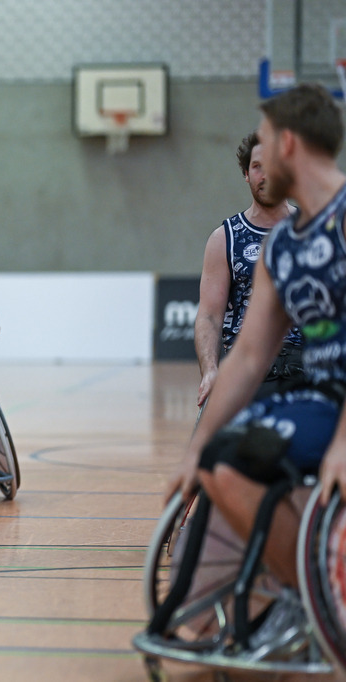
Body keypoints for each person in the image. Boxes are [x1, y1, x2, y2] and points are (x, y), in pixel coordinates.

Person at [169, 83, 346, 658]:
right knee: (224, 462)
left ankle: (309, 592)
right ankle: (295, 596)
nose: (260, 161)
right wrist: (196, 453)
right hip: (313, 395)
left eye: (268, 143)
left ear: (289, 142)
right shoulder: (283, 248)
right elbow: (247, 356)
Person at [195, 131, 303, 408]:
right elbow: (209, 315)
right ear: (246, 173)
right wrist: (210, 370)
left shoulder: (315, 229)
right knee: (210, 447)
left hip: (308, 364)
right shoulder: (224, 239)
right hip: (246, 367)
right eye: (257, 167)